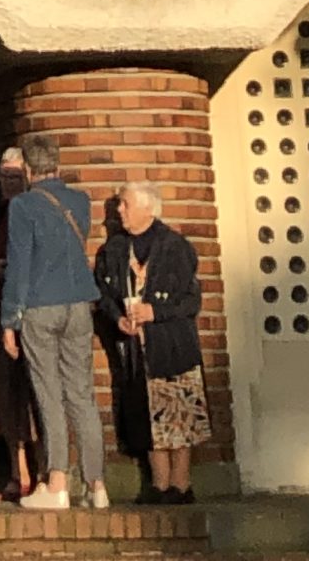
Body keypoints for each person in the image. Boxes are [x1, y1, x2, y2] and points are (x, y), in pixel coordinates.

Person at [1, 132, 110, 513]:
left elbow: (20, 266)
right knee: (82, 393)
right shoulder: (80, 201)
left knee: (49, 394)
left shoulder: (23, 206)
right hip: (80, 302)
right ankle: (97, 484)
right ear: (58, 165)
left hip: (40, 306)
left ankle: (58, 482)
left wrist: (9, 319)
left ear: (28, 170)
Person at [95, 181, 210, 505]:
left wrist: (154, 312)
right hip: (135, 348)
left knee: (178, 414)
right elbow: (103, 294)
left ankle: (181, 483)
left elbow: (191, 302)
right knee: (146, 413)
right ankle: (159, 484)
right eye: (118, 204)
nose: (119, 211)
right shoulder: (115, 250)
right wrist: (118, 317)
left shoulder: (175, 247)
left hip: (171, 344)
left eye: (126, 204)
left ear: (148, 208)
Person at [0, 147, 42, 502]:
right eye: (4, 176)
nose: (9, 183)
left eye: (15, 176)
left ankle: (40, 472)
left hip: (26, 316)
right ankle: (18, 474)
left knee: (30, 398)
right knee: (3, 396)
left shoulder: (31, 214)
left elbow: (26, 263)